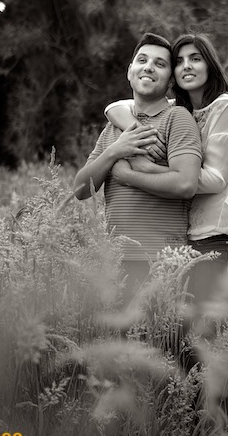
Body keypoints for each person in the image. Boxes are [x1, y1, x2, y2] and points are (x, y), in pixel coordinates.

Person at [104, 33, 228, 411]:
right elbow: (117, 106)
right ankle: (203, 423)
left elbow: (212, 179)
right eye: (181, 60)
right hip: (188, 243)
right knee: (189, 342)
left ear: (210, 65)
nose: (188, 66)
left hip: (220, 236)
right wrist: (128, 127)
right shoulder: (181, 110)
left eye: (196, 59)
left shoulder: (225, 107)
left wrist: (145, 169)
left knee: (211, 341)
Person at [73, 32, 202, 287]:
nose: (149, 67)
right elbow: (79, 189)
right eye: (142, 60)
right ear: (130, 71)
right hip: (116, 263)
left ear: (170, 80)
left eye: (160, 64)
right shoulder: (112, 130)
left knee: (162, 329)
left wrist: (128, 176)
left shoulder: (177, 119)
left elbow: (186, 185)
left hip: (163, 262)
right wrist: (115, 151)